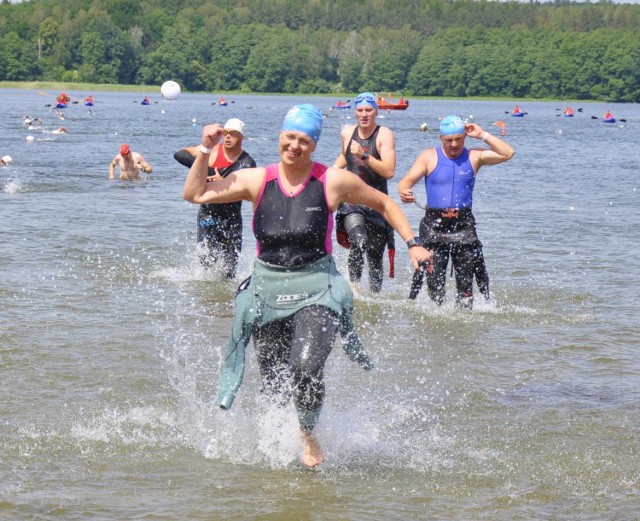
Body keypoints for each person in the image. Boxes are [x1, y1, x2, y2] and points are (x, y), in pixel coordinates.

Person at [183, 104, 432, 468]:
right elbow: (195, 194)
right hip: (267, 290)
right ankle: (279, 444)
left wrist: (413, 243)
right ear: (280, 136)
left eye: (303, 140)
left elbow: (382, 202)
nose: (294, 146)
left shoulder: (331, 181)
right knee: (273, 384)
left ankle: (308, 433)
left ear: (314, 144)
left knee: (305, 368)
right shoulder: (257, 179)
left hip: (318, 289)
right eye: (289, 137)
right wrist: (205, 150)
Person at [398, 115, 515, 309]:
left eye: (458, 139)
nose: (454, 144)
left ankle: (465, 316)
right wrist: (403, 191)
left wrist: (482, 134)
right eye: (449, 140)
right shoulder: (429, 156)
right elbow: (406, 181)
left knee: (466, 285)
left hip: (463, 225)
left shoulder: (474, 156)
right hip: (434, 225)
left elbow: (508, 153)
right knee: (434, 286)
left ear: (465, 137)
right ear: (441, 139)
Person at [174, 118, 256, 277]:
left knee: (229, 269)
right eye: (225, 133)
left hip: (231, 218)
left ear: (242, 137)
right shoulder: (211, 152)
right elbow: (179, 154)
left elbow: (248, 190)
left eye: (233, 134)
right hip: (208, 214)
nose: (228, 137)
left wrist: (223, 183)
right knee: (206, 261)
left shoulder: (247, 164)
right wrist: (207, 171)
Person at [332, 92, 397, 293]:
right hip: (351, 202)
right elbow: (345, 157)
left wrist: (365, 155)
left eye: (368, 110)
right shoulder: (347, 133)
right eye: (360, 110)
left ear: (375, 111)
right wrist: (330, 172)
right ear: (355, 112)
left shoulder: (384, 135)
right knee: (358, 241)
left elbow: (389, 171)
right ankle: (354, 289)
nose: (364, 114)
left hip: (377, 203)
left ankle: (374, 296)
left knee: (375, 258)